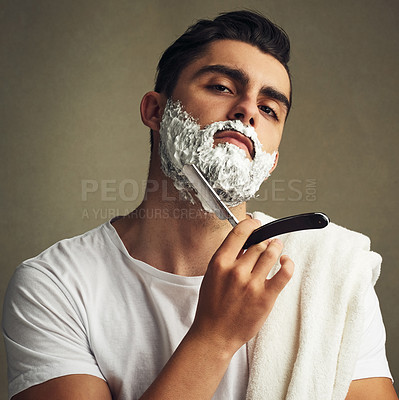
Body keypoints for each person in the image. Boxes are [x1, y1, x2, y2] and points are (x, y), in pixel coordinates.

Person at [2, 10, 397, 400]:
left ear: (272, 160)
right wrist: (215, 338)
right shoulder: (54, 286)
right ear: (156, 111)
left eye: (269, 109)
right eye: (223, 87)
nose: (248, 110)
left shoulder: (331, 275)